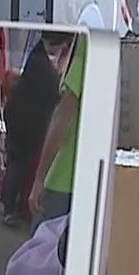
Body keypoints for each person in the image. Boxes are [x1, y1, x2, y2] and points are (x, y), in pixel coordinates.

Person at [0, 32, 72, 227]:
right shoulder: (42, 64)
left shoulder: (37, 57)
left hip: (20, 117)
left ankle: (9, 207)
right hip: (26, 123)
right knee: (18, 165)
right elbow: (54, 94)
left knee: (16, 164)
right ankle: (9, 209)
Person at [30, 36, 87, 230]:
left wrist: (39, 178)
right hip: (89, 180)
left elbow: (64, 113)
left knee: (38, 255)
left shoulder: (87, 41)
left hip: (62, 178)